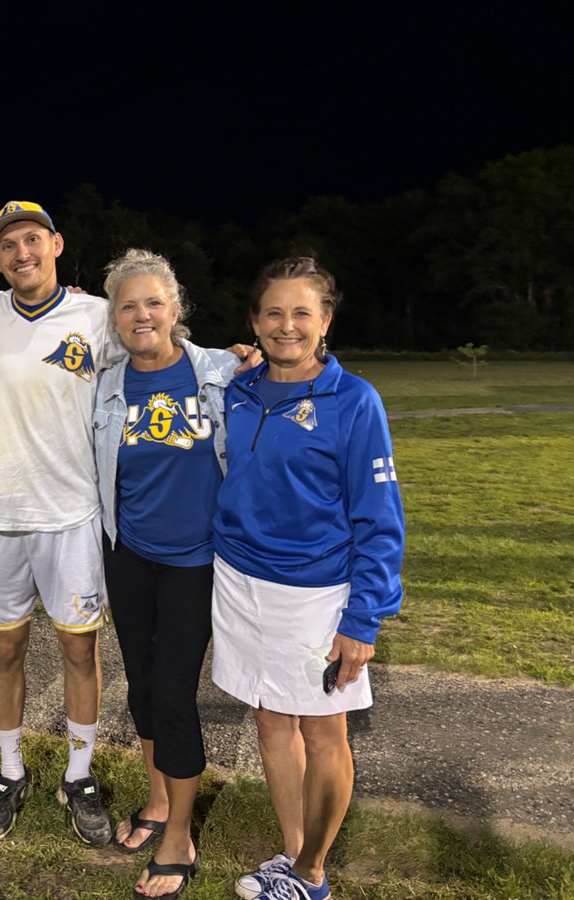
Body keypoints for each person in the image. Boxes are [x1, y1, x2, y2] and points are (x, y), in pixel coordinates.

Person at [211, 258, 405, 900]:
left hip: (318, 593)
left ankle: (313, 873)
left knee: (324, 730)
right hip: (239, 580)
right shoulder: (238, 387)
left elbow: (380, 520)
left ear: (325, 321)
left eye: (302, 312)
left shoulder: (355, 401)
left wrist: (362, 619)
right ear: (254, 322)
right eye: (273, 312)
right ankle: (292, 856)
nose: (286, 325)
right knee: (271, 720)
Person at [0, 200, 129, 847]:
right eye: (7, 246)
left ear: (55, 243)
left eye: (31, 239)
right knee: (5, 648)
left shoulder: (95, 317)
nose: (20, 253)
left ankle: (78, 775)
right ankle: (10, 771)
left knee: (80, 650)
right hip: (0, 516)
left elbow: (154, 355)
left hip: (72, 517)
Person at [93, 249, 243, 899]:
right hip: (128, 554)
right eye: (128, 305)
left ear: (176, 310)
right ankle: (156, 800)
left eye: (153, 302)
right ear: (115, 319)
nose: (142, 314)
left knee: (175, 694)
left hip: (196, 561)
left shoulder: (221, 371)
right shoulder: (105, 383)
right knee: (141, 684)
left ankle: (180, 836)